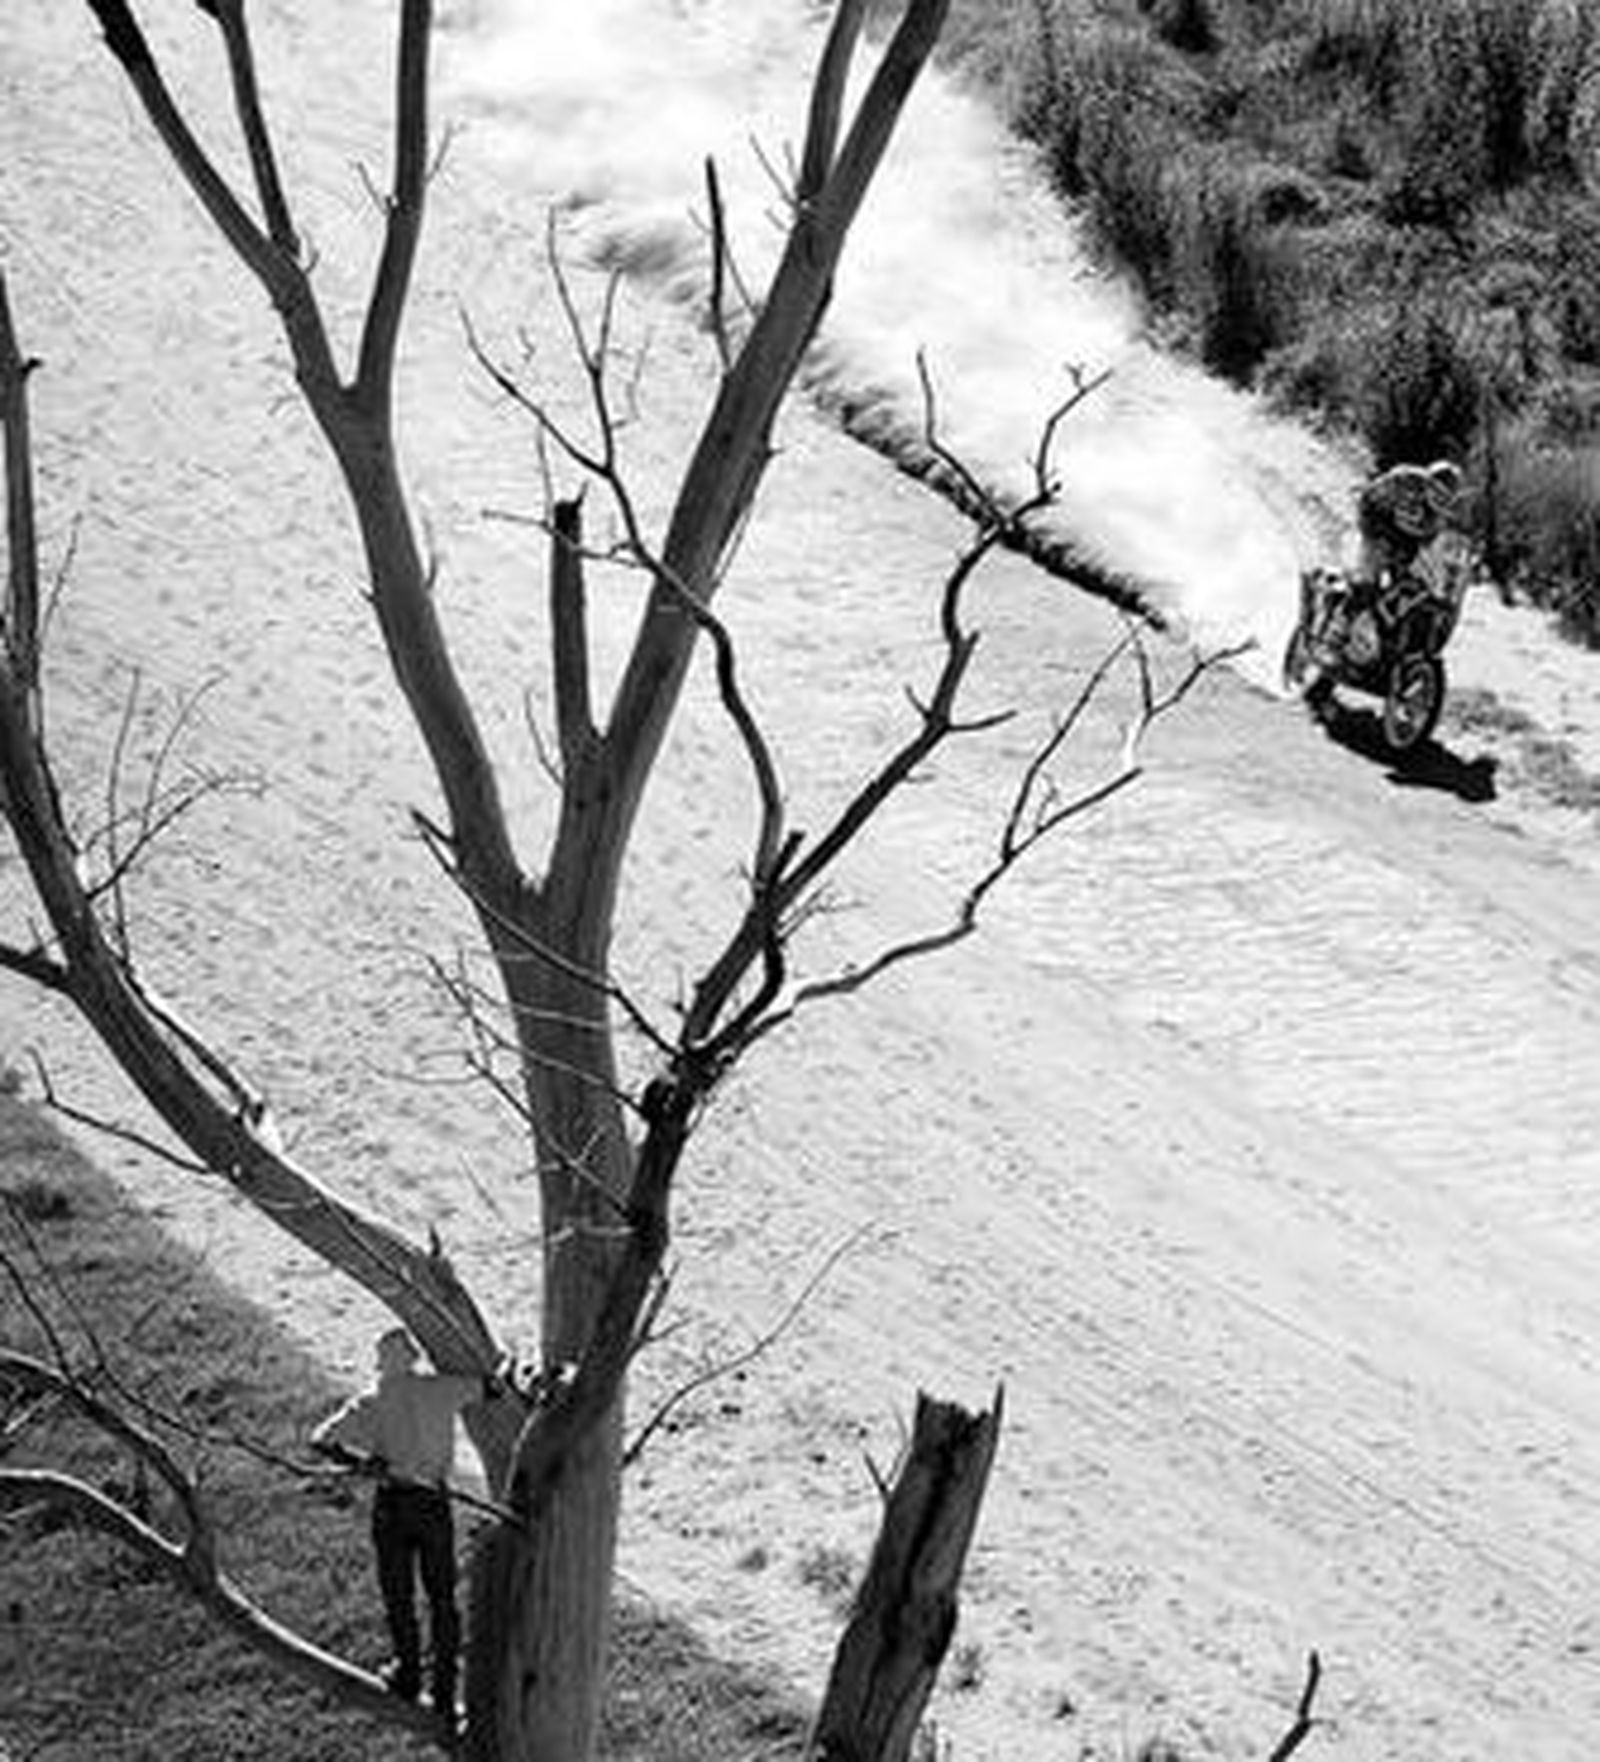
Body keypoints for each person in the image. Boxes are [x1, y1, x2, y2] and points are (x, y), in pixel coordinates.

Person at [310, 1326, 484, 1713]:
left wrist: (363, 1464)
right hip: (433, 1502)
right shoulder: (440, 1389)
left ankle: (407, 1672)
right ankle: (444, 1690)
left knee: (398, 1594)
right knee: (442, 1598)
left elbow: (320, 1439)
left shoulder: (370, 1400)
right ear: (413, 1358)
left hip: (392, 1502)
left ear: (382, 1363)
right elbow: (489, 1388)